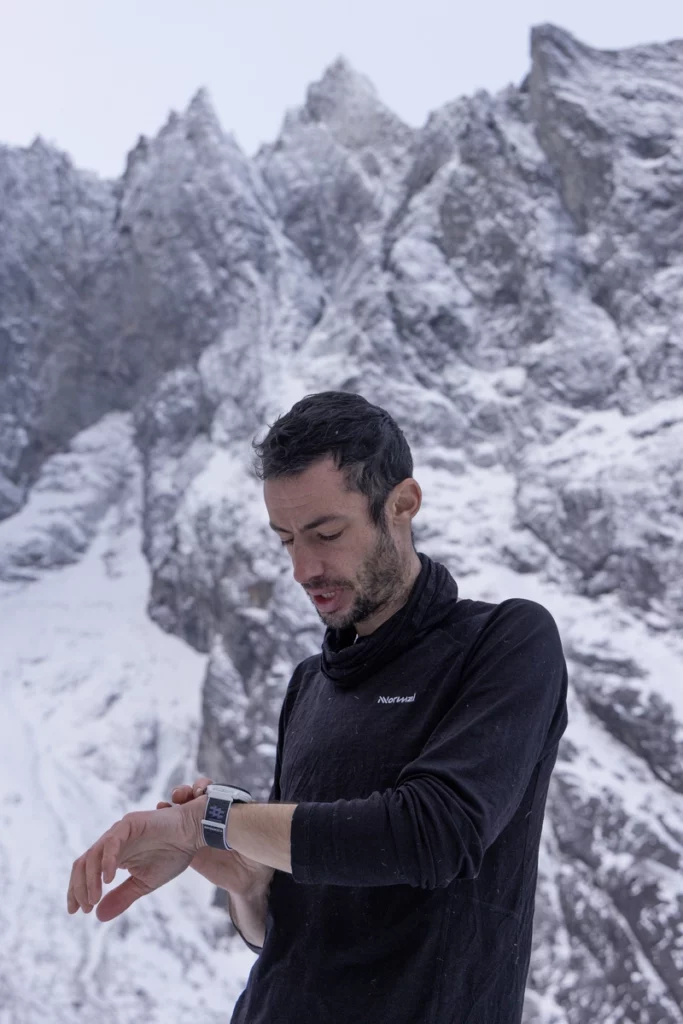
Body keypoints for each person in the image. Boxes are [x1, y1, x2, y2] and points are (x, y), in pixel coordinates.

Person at [67, 391, 568, 1024]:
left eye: (327, 534)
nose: (304, 568)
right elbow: (296, 932)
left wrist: (211, 820)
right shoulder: (310, 685)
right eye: (286, 541)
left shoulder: (506, 642)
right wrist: (249, 884)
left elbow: (435, 834)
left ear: (402, 506)